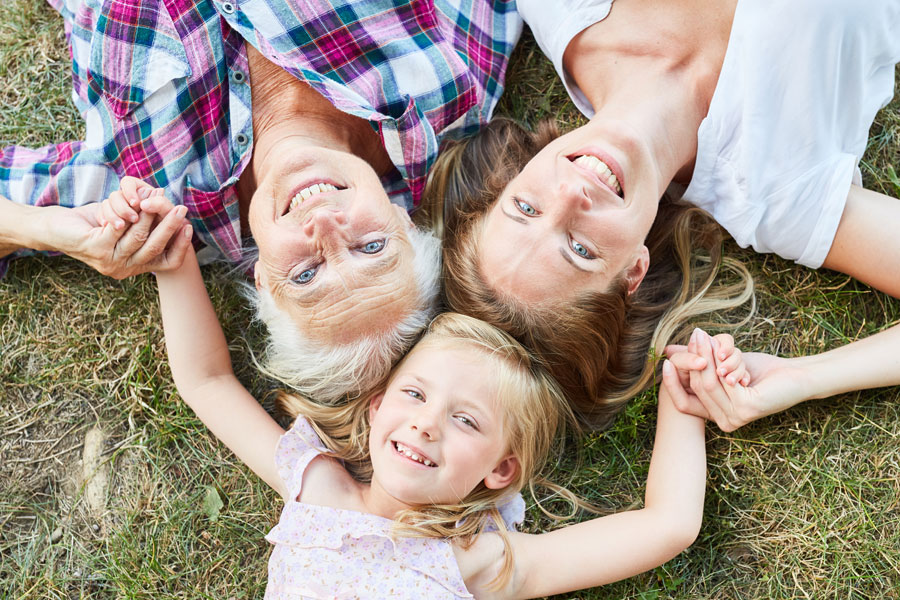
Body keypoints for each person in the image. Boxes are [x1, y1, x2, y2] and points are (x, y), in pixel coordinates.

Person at [155, 195, 713, 596]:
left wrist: (681, 404)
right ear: (376, 407)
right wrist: (173, 265)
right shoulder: (315, 485)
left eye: (467, 421)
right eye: (416, 394)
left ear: (500, 470)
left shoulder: (480, 558)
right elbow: (207, 383)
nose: (426, 425)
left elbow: (667, 526)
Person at [0, 0, 522, 403]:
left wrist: (48, 231)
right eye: (371, 247)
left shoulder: (155, 201)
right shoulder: (448, 90)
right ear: (405, 222)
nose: (326, 230)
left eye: (305, 276)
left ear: (263, 279)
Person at [430, 0, 900, 428]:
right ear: (633, 270)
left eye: (526, 208)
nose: (572, 193)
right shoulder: (772, 194)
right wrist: (803, 376)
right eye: (579, 248)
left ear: (506, 181)